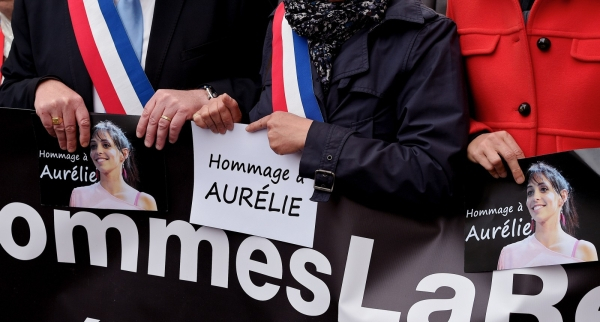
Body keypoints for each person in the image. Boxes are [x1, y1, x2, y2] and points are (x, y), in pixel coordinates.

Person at [194, 0, 469, 212]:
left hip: (367, 259)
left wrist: (316, 140)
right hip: (278, 256)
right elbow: (270, 123)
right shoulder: (284, 22)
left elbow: (435, 177)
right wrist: (231, 119)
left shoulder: (425, 34)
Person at [0, 0, 275, 153]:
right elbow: (11, 90)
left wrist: (208, 96)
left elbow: (265, 88)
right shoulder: (40, 5)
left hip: (193, 219)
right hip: (78, 215)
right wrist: (40, 89)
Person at [447, 0, 600, 184]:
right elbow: (441, 101)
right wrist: (472, 137)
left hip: (588, 193)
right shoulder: (461, 4)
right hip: (493, 195)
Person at [497, 162, 598, 270]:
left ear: (562, 196)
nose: (535, 197)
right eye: (530, 192)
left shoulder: (583, 250)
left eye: (543, 189)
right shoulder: (509, 254)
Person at [70, 120, 156, 211]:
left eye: (106, 145)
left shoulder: (144, 201)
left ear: (124, 154)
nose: (98, 151)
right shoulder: (79, 195)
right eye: (93, 146)